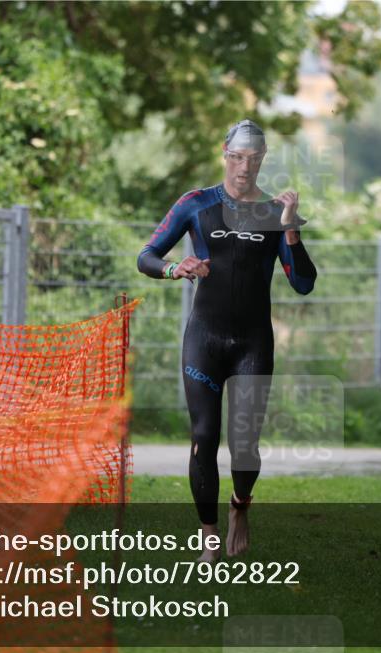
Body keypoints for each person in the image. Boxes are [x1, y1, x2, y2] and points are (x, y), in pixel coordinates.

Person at [137, 119, 317, 562]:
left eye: (253, 160)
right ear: (224, 154)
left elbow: (304, 283)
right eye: (237, 158)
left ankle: (240, 508)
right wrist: (174, 269)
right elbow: (146, 256)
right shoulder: (196, 204)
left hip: (253, 342)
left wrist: (291, 229)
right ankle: (209, 535)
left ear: (262, 161)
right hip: (205, 338)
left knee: (244, 442)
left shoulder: (276, 213)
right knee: (204, 435)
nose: (244, 168)